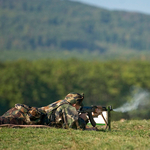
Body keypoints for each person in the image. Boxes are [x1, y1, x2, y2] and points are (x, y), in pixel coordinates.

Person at [0, 92, 89, 130]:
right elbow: (76, 126)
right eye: (78, 107)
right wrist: (83, 119)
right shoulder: (67, 107)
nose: (77, 109)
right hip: (24, 117)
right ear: (74, 105)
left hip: (19, 111)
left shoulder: (61, 103)